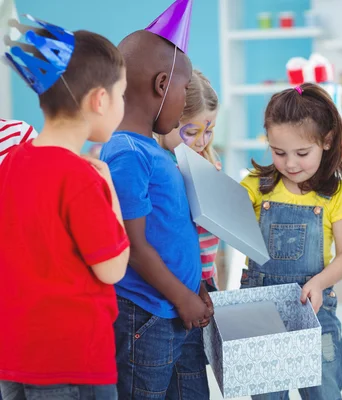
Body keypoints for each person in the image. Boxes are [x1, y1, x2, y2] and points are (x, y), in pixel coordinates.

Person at [0, 17, 129, 400]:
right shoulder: (83, 178)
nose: (122, 104)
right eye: (121, 95)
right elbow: (112, 269)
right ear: (100, 100)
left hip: (14, 357)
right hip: (74, 364)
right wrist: (110, 193)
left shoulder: (10, 164)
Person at [100, 1, 213, 398]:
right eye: (185, 91)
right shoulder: (126, 153)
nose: (185, 103)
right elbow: (134, 245)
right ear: (162, 85)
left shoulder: (151, 151)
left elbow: (172, 232)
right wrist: (183, 296)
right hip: (146, 316)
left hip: (176, 310)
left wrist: (194, 286)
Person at [240, 82, 342, 400]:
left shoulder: (335, 193)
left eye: (302, 153)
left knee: (323, 390)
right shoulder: (256, 185)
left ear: (327, 141)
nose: (290, 164)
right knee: (266, 393)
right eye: (279, 152)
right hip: (261, 310)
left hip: (314, 310)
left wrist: (319, 283)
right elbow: (229, 214)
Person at [158, 69, 221, 291]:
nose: (201, 141)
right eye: (192, 132)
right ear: (168, 119)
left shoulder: (207, 160)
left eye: (209, 131)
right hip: (177, 277)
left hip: (207, 275)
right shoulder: (161, 165)